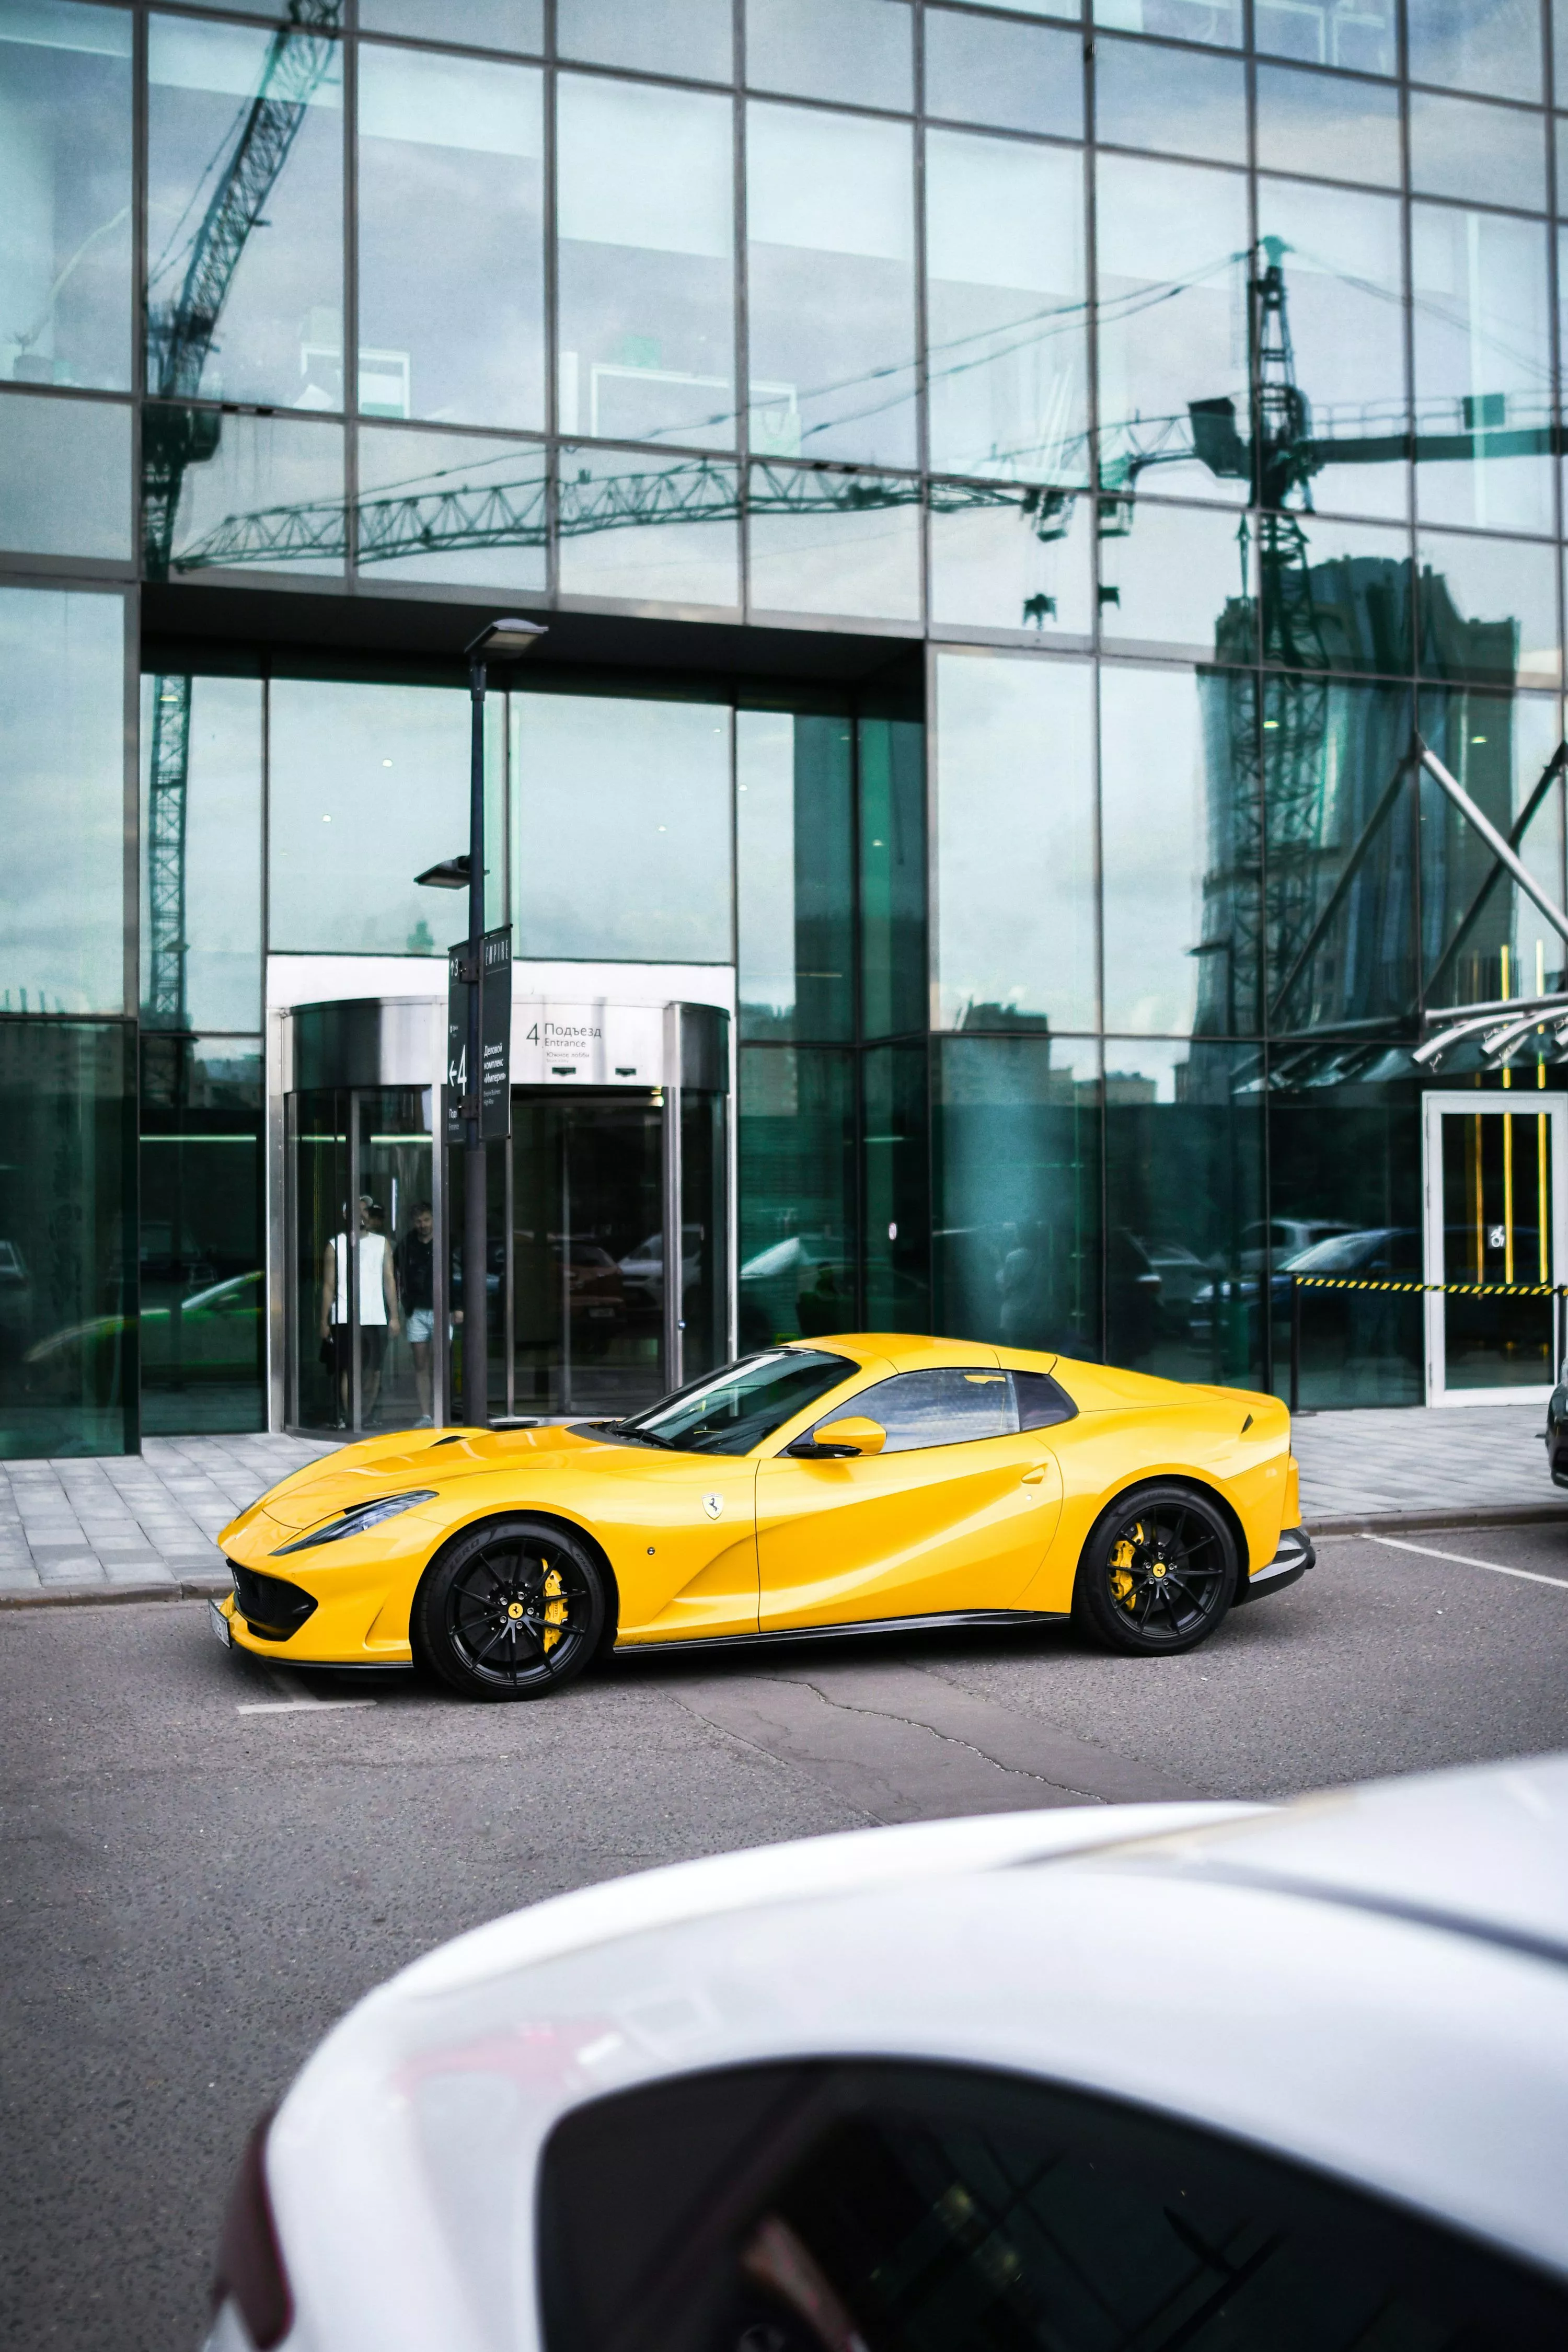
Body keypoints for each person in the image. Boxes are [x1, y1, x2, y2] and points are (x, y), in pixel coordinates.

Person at [320, 1195, 401, 1427]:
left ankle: (365, 1415)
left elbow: (389, 1280)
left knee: (374, 1370)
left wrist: (394, 1316)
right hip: (345, 1316)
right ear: (346, 1215)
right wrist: (324, 1320)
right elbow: (328, 1285)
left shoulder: (381, 1243)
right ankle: (352, 1417)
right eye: (356, 1210)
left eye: (365, 1210)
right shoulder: (335, 1245)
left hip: (376, 1316)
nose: (362, 1213)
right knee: (349, 1369)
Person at [395, 1200, 436, 1425]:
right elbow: (393, 1272)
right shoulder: (407, 1244)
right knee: (421, 1364)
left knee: (441, 1364)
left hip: (441, 1309)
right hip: (417, 1311)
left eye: (427, 1220)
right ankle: (426, 1414)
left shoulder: (444, 1241)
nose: (423, 1225)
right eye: (419, 1221)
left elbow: (457, 1274)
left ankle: (443, 1410)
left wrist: (458, 1306)